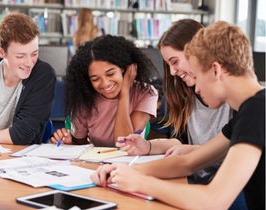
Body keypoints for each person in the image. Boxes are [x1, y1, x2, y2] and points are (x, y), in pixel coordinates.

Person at [91, 21, 265, 210]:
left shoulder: (257, 111)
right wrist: (123, 171)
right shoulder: (249, 112)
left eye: (197, 76)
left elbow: (214, 201)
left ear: (215, 70)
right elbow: (188, 161)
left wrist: (142, 182)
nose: (196, 88)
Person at [115, 19, 233, 185]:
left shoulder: (237, 100)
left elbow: (237, 154)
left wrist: (135, 173)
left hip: (226, 188)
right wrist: (148, 147)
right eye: (168, 64)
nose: (172, 72)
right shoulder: (186, 94)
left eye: (175, 62)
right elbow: (181, 144)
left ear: (197, 52)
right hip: (195, 181)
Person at [50, 35, 171, 147]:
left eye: (110, 73)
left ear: (124, 68)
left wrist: (125, 91)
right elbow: (80, 144)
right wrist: (70, 143)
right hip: (95, 163)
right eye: (95, 79)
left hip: (129, 163)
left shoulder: (146, 92)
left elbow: (124, 142)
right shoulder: (84, 97)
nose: (105, 83)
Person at [0, 12, 57, 145]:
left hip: (22, 156)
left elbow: (22, 135)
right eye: (20, 56)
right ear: (2, 52)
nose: (29, 63)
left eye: (34, 54)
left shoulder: (44, 75)